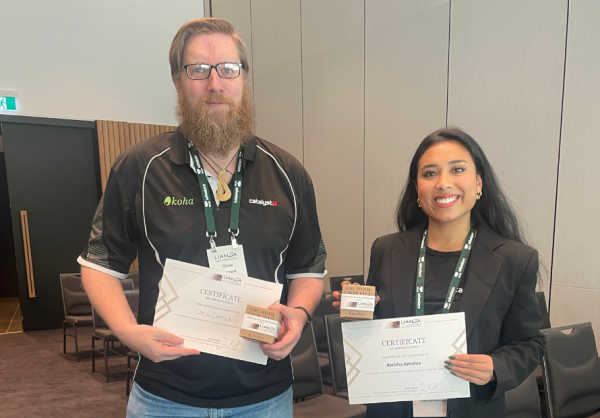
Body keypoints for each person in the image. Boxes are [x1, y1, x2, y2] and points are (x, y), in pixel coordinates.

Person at [78, 18, 327, 417]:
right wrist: (127, 333)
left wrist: (297, 316)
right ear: (178, 82)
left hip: (265, 397)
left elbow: (309, 267)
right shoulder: (140, 167)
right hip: (165, 396)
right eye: (198, 70)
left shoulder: (288, 172)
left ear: (244, 79)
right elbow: (99, 264)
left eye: (229, 69)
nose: (215, 83)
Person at [334, 127, 544, 418]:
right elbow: (375, 332)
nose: (443, 183)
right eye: (430, 174)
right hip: (393, 409)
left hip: (471, 408)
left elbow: (529, 343)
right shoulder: (387, 249)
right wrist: (356, 313)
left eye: (457, 169)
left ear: (479, 183)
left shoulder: (514, 259)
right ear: (417, 189)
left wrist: (497, 367)